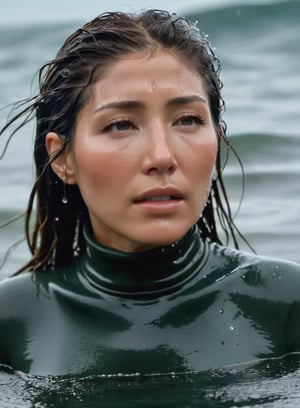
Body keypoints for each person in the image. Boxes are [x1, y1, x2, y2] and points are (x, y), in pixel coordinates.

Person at [0, 9, 299, 377]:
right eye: (121, 125)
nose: (162, 156)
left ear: (216, 138)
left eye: (188, 120)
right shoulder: (11, 322)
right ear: (63, 159)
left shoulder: (285, 305)